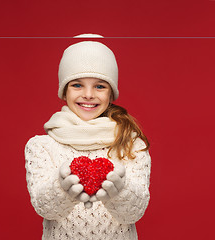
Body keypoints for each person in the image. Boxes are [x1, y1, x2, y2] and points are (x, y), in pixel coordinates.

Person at [25, 35, 151, 240]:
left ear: (111, 94)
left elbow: (134, 212)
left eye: (100, 86)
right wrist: (62, 187)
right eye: (77, 85)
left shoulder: (131, 144)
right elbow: (45, 209)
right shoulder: (41, 146)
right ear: (64, 91)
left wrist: (120, 189)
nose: (89, 94)